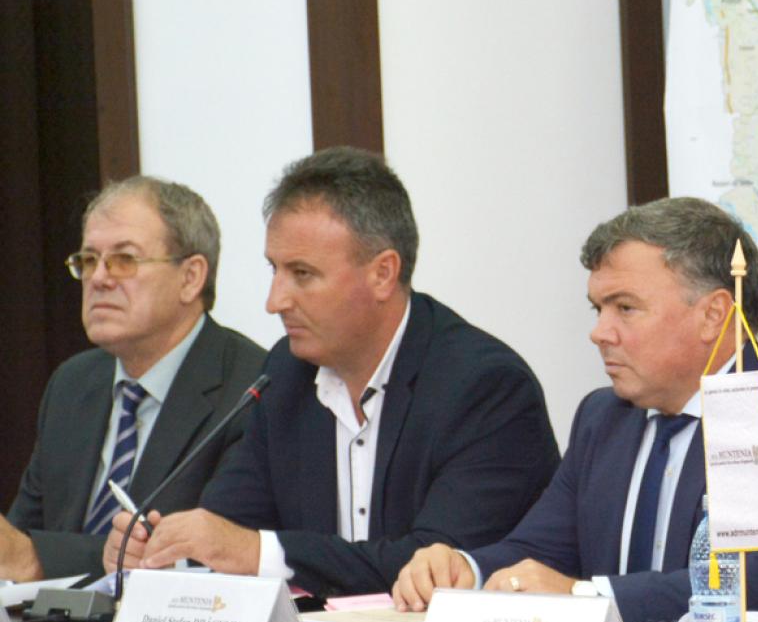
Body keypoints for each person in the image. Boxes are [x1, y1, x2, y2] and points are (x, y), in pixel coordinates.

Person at [391, 197, 758, 622]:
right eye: (598, 308)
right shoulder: (604, 416)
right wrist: (464, 569)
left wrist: (582, 597)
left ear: (714, 316)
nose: (599, 332)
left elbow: (752, 581)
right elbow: (539, 550)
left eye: (625, 308)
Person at [108, 148, 560, 597]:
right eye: (274, 269)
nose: (275, 301)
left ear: (383, 273)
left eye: (302, 273)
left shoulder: (485, 387)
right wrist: (165, 551)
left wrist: (257, 551)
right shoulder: (286, 374)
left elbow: (435, 567)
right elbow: (230, 527)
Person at [3, 177, 265, 580]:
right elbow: (20, 544)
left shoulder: (251, 389)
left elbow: (209, 559)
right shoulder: (73, 384)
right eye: (89, 260)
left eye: (124, 260)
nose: (99, 278)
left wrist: (39, 559)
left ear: (191, 277)